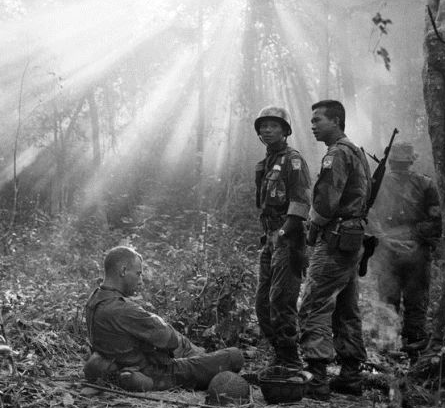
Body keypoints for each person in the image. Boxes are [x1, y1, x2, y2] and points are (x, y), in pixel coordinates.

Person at [83, 246, 244, 392]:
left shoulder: (94, 299)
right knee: (234, 356)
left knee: (193, 352)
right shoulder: (123, 310)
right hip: (156, 372)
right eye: (138, 274)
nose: (140, 281)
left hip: (123, 363)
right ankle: (203, 362)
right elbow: (171, 340)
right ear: (123, 271)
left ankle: (203, 357)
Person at [300, 100, 371, 400]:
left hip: (335, 238)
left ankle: (316, 378)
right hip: (352, 239)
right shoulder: (356, 152)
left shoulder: (337, 154)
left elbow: (327, 202)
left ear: (337, 121)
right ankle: (351, 376)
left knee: (314, 302)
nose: (313, 125)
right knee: (346, 307)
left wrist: (312, 226)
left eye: (319, 120)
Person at [368, 142, 441, 354]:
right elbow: (436, 220)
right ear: (412, 160)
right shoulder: (425, 183)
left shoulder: (380, 183)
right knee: (413, 301)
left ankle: (391, 345)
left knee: (390, 300)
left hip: (400, 248)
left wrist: (389, 237)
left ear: (390, 161)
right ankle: (410, 344)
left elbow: (436, 219)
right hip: (407, 248)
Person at [253, 106, 312, 369]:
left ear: (285, 130)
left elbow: (300, 204)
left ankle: (290, 362)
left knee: (282, 301)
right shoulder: (264, 164)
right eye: (263, 126)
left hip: (288, 240)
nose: (267, 130)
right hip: (270, 239)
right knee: (262, 303)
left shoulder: (293, 160)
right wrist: (269, 236)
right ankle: (279, 354)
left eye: (274, 126)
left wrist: (283, 233)